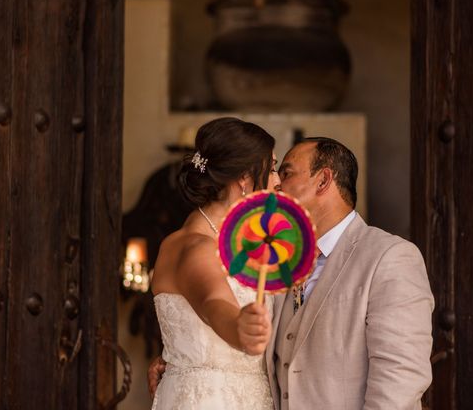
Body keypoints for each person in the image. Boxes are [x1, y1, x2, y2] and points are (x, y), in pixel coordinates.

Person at [151, 136, 434, 409]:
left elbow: (400, 379)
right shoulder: (273, 259)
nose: (276, 184)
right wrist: (181, 361)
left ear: (323, 180)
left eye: (284, 173)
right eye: (273, 171)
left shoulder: (389, 258)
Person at [149, 117, 281, 410]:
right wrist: (240, 326)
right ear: (245, 179)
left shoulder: (241, 242)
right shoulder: (195, 246)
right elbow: (213, 304)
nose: (278, 180)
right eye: (271, 169)